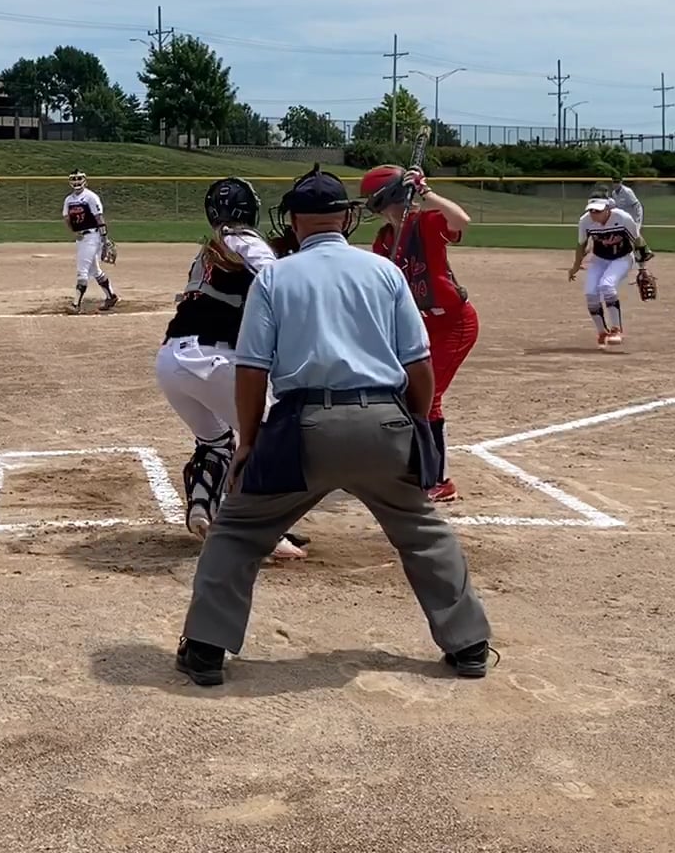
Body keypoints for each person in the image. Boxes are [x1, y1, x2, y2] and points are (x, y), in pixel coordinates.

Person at [174, 165, 493, 688]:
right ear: (346, 219)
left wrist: (249, 442)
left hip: (303, 429)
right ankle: (470, 645)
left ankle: (206, 650)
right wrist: (412, 424)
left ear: (293, 221)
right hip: (383, 421)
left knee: (237, 532)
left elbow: (252, 370)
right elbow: (418, 364)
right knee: (422, 531)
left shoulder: (275, 276)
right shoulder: (384, 272)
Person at [153, 176, 304, 559]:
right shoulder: (244, 240)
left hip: (172, 360)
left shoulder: (208, 251)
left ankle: (203, 507)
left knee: (216, 441)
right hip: (213, 359)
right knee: (276, 437)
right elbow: (277, 284)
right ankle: (259, 529)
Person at [362, 164, 477, 504]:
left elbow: (461, 221)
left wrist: (427, 193)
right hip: (419, 325)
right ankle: (411, 465)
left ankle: (439, 480)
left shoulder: (425, 223)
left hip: (453, 324)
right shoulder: (384, 241)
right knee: (401, 391)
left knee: (429, 397)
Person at [568, 196, 643, 348]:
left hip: (622, 258)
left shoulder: (623, 218)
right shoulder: (585, 221)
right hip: (599, 259)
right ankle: (602, 332)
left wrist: (643, 268)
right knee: (590, 293)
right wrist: (576, 266)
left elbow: (638, 242)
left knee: (607, 285)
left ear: (607, 209)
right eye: (591, 210)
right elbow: (581, 244)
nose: (594, 214)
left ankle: (616, 329)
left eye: (598, 210)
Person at [62, 170, 118, 313]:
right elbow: (67, 218)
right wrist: (74, 232)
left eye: (79, 179)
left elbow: (99, 218)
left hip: (93, 237)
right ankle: (111, 296)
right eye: (74, 179)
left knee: (82, 271)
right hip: (82, 238)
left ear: (85, 181)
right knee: (95, 271)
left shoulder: (91, 197)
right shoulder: (69, 200)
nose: (76, 182)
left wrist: (105, 240)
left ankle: (75, 305)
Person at [609, 179, 654, 263]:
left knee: (635, 232)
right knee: (631, 234)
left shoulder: (627, 191)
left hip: (635, 214)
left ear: (621, 182)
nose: (615, 184)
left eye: (617, 182)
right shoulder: (614, 193)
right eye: (614, 182)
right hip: (626, 216)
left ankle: (645, 252)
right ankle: (645, 252)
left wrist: (636, 219)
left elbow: (636, 205)